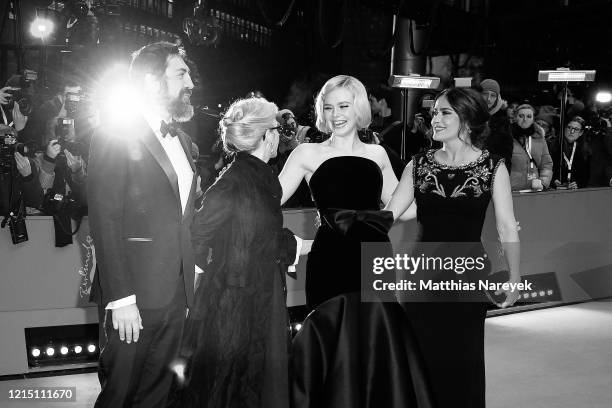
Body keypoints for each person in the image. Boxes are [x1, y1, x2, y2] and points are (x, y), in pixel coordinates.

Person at [279, 75, 431, 408]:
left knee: (374, 341)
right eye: (329, 107)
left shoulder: (378, 153)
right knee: (334, 342)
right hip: (330, 259)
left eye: (344, 106)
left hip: (375, 257)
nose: (336, 115)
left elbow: (403, 209)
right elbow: (267, 200)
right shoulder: (307, 152)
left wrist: (445, 199)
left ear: (359, 106)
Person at [385, 87, 521, 408]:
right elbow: (389, 215)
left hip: (468, 277)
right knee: (420, 358)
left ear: (468, 119)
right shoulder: (417, 166)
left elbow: (506, 227)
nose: (435, 118)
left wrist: (515, 277)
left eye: (445, 112)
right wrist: (349, 220)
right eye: (435, 112)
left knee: (465, 360)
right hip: (422, 278)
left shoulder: (492, 167)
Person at [168, 97, 307, 408]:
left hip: (259, 294)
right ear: (264, 135)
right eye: (276, 129)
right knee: (229, 386)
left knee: (253, 385)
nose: (279, 136)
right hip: (233, 304)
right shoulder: (234, 179)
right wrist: (206, 289)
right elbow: (198, 236)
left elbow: (260, 234)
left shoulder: (260, 175)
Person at [87, 41, 197, 408]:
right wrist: (120, 298)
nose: (191, 82)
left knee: (158, 396)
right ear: (152, 80)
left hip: (177, 294)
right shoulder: (113, 134)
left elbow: (185, 216)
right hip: (133, 296)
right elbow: (105, 219)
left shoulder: (184, 141)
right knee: (120, 393)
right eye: (181, 73)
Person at [510, 104, 553, 191]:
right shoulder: (506, 137)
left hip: (534, 191)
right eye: (521, 116)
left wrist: (543, 183)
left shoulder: (540, 138)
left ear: (533, 119)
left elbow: (546, 164)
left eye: (529, 116)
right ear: (515, 118)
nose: (525, 119)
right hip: (511, 190)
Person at [479, 79, 513, 171]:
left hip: (494, 169)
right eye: (485, 94)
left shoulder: (502, 120)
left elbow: (506, 153)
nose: (488, 99)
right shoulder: (470, 115)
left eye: (493, 95)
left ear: (497, 98)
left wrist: (503, 174)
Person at [550, 116, 590, 189]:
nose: (572, 131)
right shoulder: (552, 146)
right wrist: (552, 180)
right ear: (564, 128)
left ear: (581, 133)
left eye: (576, 129)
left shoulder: (585, 150)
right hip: (555, 189)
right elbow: (546, 168)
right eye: (569, 127)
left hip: (575, 191)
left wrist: (578, 183)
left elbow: (587, 174)